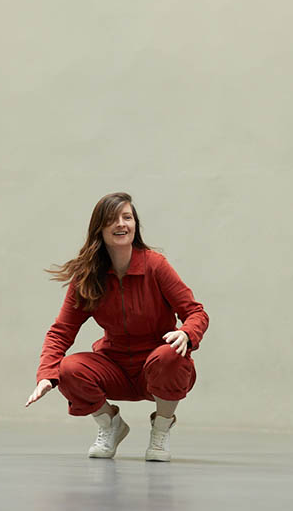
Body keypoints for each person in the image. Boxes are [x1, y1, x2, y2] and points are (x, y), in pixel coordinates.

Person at [25, 192, 209, 461]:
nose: (121, 224)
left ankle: (161, 429)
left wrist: (186, 333)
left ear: (135, 224)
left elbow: (196, 312)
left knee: (172, 354)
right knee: (65, 369)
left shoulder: (156, 266)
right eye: (113, 219)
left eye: (127, 217)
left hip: (155, 366)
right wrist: (46, 374)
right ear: (99, 228)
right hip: (115, 367)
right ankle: (110, 425)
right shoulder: (88, 276)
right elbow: (62, 331)